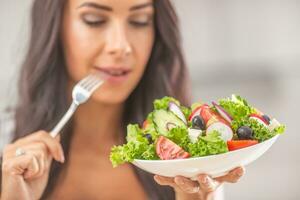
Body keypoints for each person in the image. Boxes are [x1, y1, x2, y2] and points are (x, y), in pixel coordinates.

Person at [0, 0, 245, 199]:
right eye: (94, 20)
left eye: (139, 21)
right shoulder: (9, 151)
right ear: (54, 27)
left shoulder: (187, 156)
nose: (121, 46)